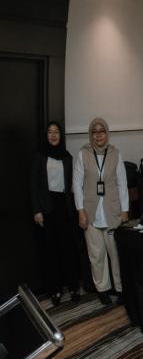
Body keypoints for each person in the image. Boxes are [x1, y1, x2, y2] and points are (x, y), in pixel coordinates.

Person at [74, 118, 129, 305]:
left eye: (102, 131)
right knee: (96, 255)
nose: (98, 134)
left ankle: (120, 288)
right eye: (95, 131)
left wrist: (125, 210)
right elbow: (77, 185)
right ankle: (102, 288)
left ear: (107, 133)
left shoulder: (115, 153)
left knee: (115, 253)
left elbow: (122, 184)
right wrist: (80, 211)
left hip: (112, 210)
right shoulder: (83, 154)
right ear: (91, 134)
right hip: (90, 213)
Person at [31, 121, 83, 305]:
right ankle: (55, 290)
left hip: (64, 207)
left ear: (61, 136)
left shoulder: (67, 157)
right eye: (50, 132)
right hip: (46, 207)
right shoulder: (40, 156)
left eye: (56, 132)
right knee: (50, 251)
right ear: (46, 136)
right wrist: (37, 210)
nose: (53, 135)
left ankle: (74, 287)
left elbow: (72, 184)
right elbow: (34, 186)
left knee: (67, 249)